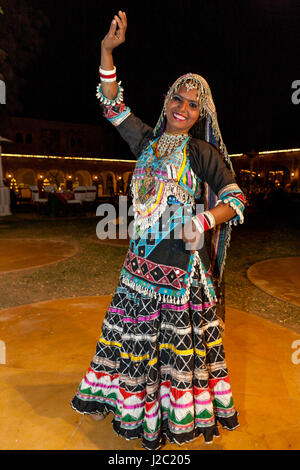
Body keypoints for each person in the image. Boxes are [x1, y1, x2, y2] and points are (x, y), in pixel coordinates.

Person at [70, 11, 246, 450]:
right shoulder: (145, 141)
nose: (183, 109)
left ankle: (173, 420)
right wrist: (108, 51)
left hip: (180, 275)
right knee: (136, 348)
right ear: (167, 99)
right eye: (178, 99)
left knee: (173, 356)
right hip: (137, 270)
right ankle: (136, 413)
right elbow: (112, 106)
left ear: (200, 113)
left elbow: (236, 199)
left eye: (192, 105)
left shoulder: (202, 153)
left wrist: (204, 220)